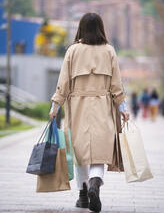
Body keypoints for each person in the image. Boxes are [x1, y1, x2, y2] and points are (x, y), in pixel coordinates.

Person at [49, 13, 129, 212]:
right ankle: (95, 183)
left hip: (77, 108)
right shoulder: (109, 51)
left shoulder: (73, 51)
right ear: (101, 28)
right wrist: (123, 109)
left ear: (81, 28)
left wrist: (55, 106)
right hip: (102, 106)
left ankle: (83, 196)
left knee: (80, 153)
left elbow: (63, 82)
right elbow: (116, 85)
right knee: (98, 154)